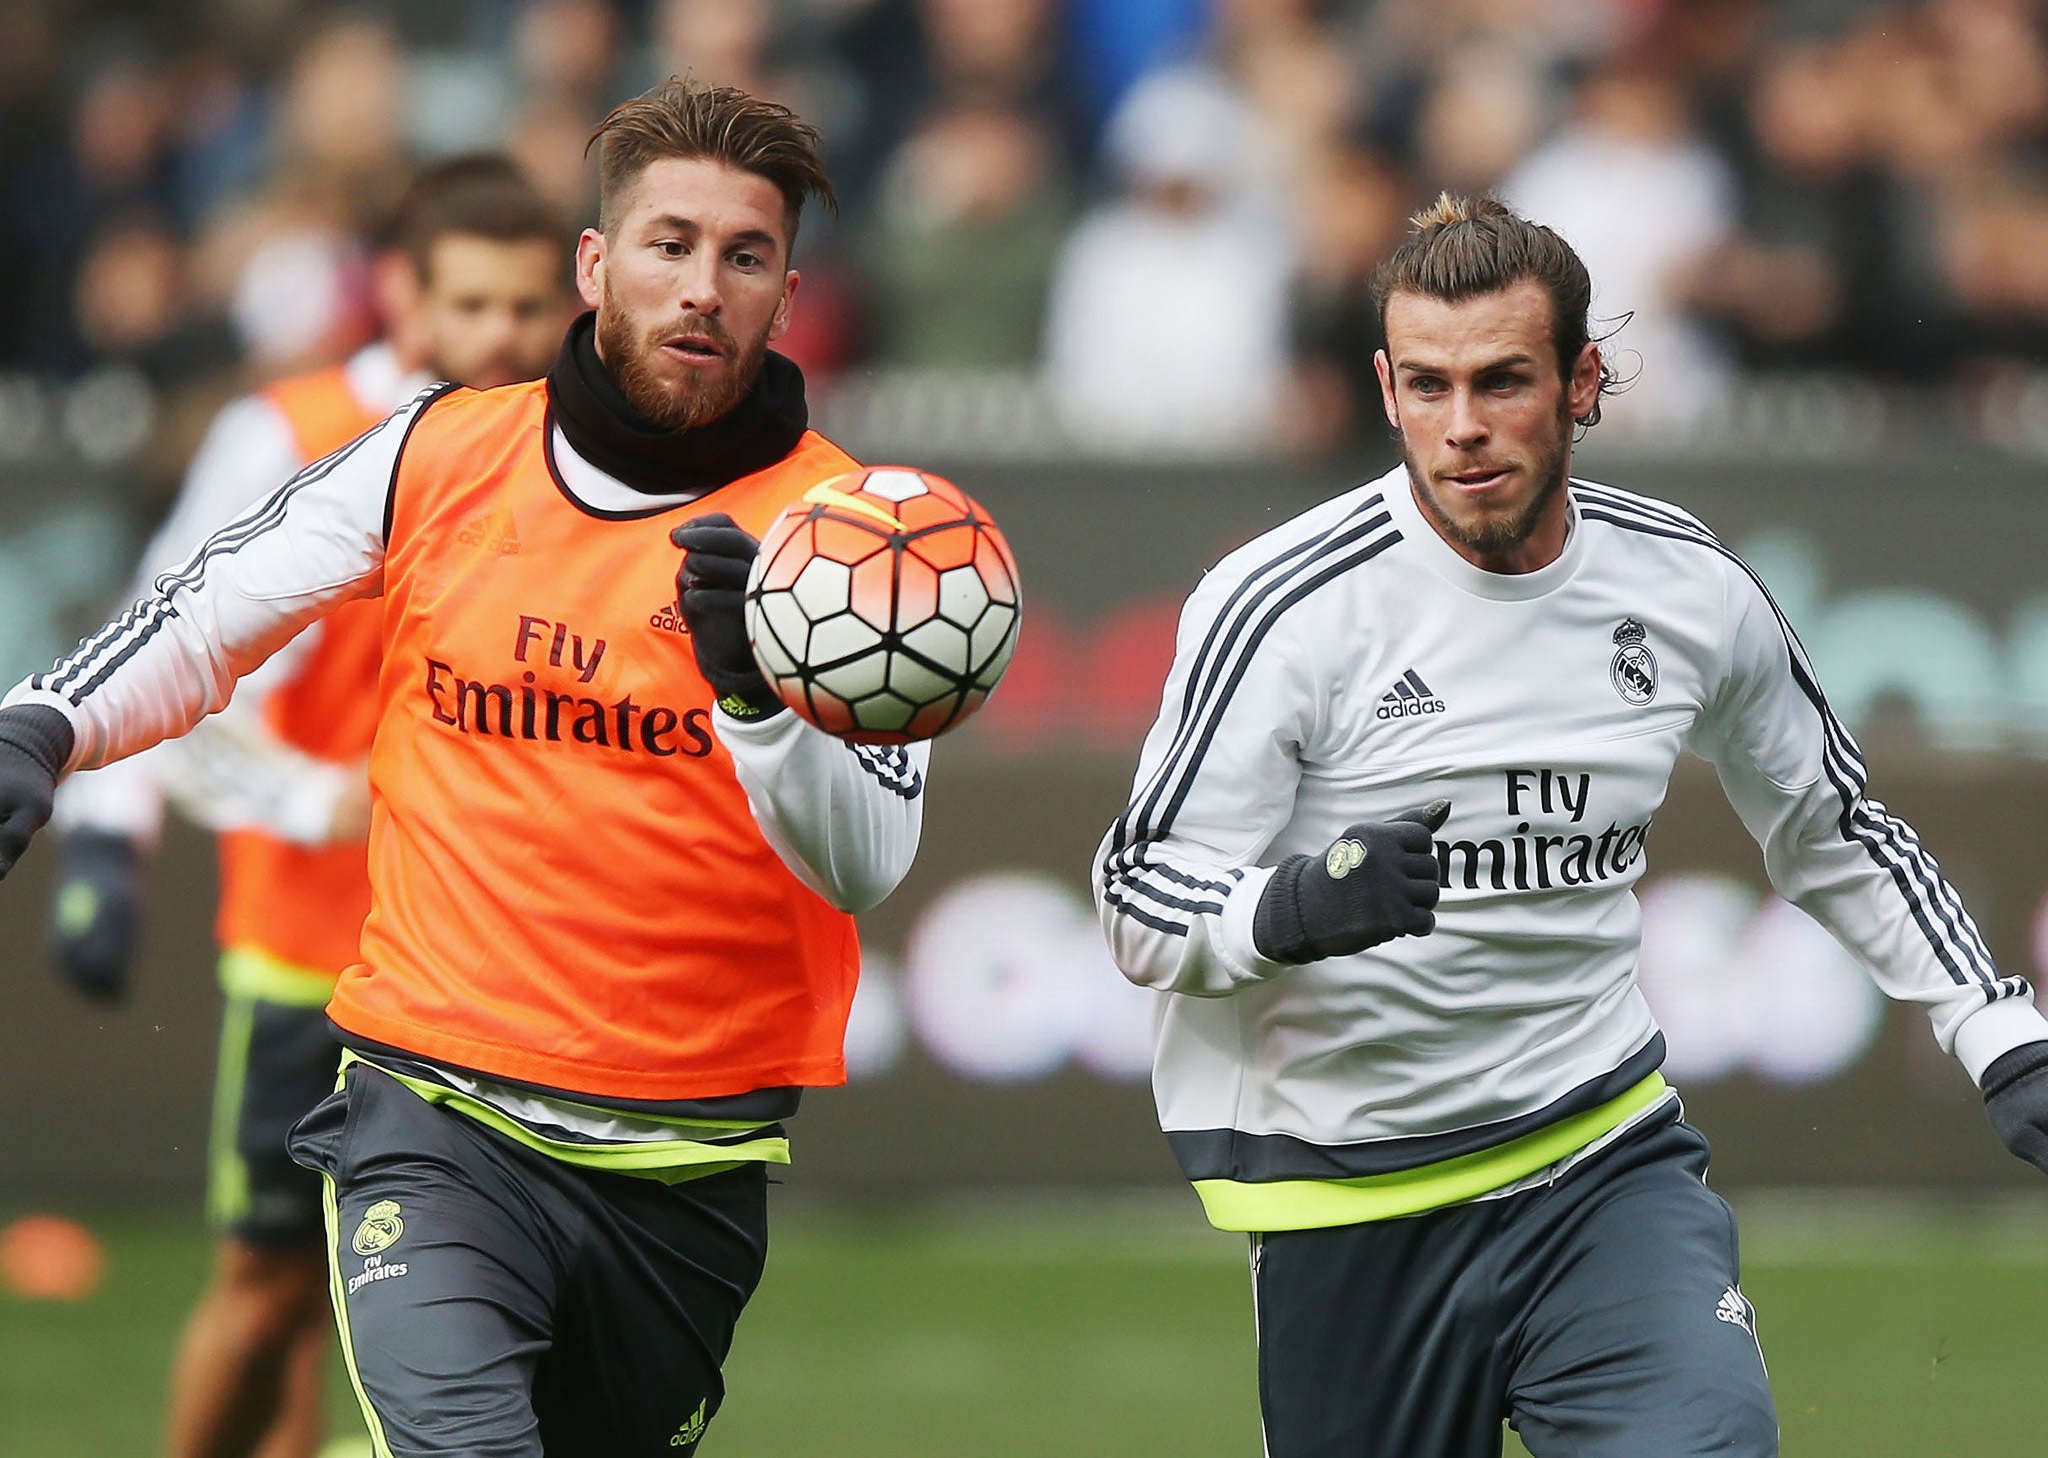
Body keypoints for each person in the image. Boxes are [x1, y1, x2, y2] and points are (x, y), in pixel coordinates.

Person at [0, 80, 928, 1457]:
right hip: (433, 1110)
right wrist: (42, 726)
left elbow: (866, 862)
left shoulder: (853, 538)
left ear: (787, 294)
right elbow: (200, 614)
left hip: (688, 1156)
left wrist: (755, 697)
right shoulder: (441, 453)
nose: (703, 288)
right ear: (596, 265)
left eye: (745, 257)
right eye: (668, 244)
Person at [1091, 193, 2048, 1457]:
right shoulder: (1282, 604)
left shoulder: (1685, 584)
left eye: (1502, 380)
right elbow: (1137, 891)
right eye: (1425, 387)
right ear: (1382, 388)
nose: (1464, 429)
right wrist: (1294, 906)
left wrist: (1995, 1026)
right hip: (1346, 1206)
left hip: (1599, 1165)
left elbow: (1833, 824)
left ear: (1582, 379)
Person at [43, 152, 573, 1458]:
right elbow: (171, 655)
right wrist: (125, 845)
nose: (500, 338)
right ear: (401, 295)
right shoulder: (290, 436)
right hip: (310, 950)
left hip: (497, 969)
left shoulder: (576, 460)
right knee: (272, 1291)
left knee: (506, 1303)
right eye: (472, 305)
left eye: (526, 309)